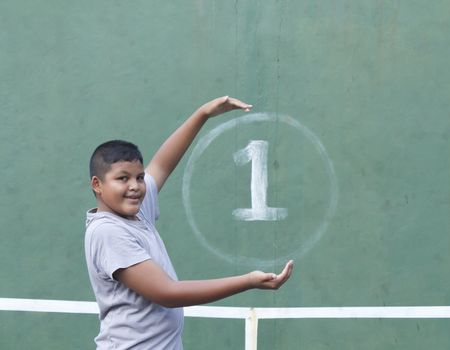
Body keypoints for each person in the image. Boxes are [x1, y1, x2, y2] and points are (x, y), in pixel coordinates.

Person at [84, 96, 294, 349]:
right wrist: (248, 281)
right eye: (122, 178)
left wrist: (203, 114)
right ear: (97, 185)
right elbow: (168, 294)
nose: (135, 186)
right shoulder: (108, 231)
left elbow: (162, 163)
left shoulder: (136, 212)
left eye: (139, 177)